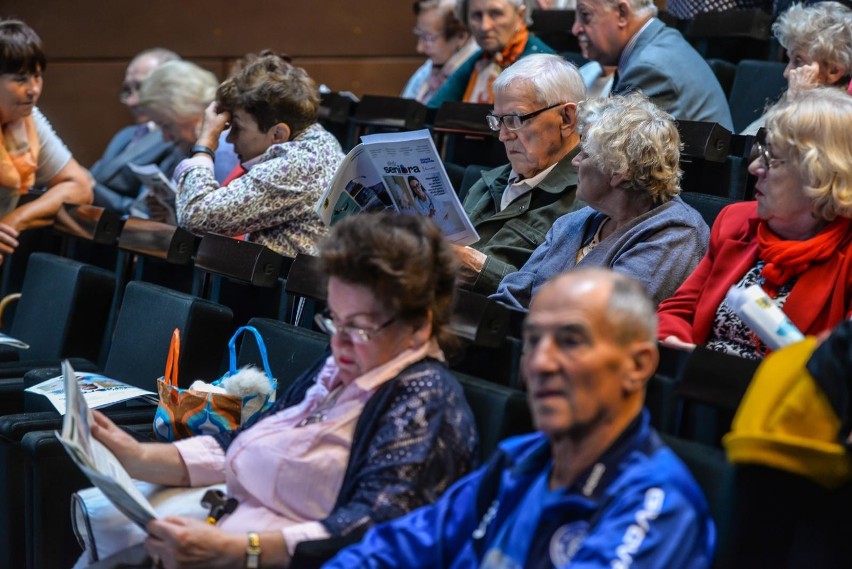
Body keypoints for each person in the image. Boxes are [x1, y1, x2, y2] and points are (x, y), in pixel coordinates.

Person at [85, 212, 478, 568]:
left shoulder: (428, 404)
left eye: (359, 328)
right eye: (334, 320)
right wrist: (136, 455)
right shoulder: (343, 367)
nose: (339, 342)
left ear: (420, 326)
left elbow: (374, 533)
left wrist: (242, 551)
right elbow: (249, 438)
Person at [324, 268, 716, 568]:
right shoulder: (520, 460)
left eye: (571, 341)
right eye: (533, 341)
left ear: (638, 364)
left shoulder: (657, 504)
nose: (541, 363)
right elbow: (398, 547)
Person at [658, 88, 852, 360]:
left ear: (820, 175)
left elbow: (838, 370)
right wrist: (689, 356)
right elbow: (676, 312)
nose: (754, 168)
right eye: (761, 152)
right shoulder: (736, 221)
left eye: (771, 159)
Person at [492, 93, 710, 309]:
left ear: (618, 171)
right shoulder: (571, 223)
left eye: (585, 154)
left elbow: (606, 318)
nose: (575, 162)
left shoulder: (675, 234)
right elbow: (511, 294)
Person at [174, 52, 344, 257]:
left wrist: (205, 144)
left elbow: (195, 216)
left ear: (278, 134)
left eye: (237, 127)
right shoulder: (317, 142)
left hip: (286, 286)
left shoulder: (297, 163)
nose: (228, 139)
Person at [455, 54, 585, 295]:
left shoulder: (589, 198)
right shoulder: (488, 181)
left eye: (515, 119)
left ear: (567, 119)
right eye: (498, 121)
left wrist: (481, 272)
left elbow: (560, 298)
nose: (503, 135)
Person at [0, 19, 92, 263]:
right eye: (20, 79)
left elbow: (78, 187)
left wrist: (12, 221)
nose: (33, 90)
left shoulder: (28, 118)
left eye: (37, 76)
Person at [571, 0, 734, 130]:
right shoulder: (659, 43)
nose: (575, 29)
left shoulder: (649, 69)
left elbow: (615, 157)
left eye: (585, 15)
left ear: (622, 13)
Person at [89, 48, 185, 215]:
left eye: (142, 88)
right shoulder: (124, 135)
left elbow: (143, 211)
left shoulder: (177, 140)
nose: (132, 101)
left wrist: (86, 185)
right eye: (128, 90)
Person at [741, 1, 852, 135]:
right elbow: (747, 146)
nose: (786, 73)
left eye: (798, 61)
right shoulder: (797, 93)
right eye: (789, 60)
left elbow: (784, 151)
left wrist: (796, 107)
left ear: (833, 71)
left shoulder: (843, 116)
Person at [427, 0, 556, 107]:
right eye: (477, 15)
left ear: (520, 15)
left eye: (496, 14)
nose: (485, 26)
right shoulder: (483, 58)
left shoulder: (541, 60)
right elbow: (434, 109)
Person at [402, 0, 479, 104]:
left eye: (428, 38)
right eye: (419, 35)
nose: (420, 48)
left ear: (461, 36)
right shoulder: (429, 68)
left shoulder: (477, 73)